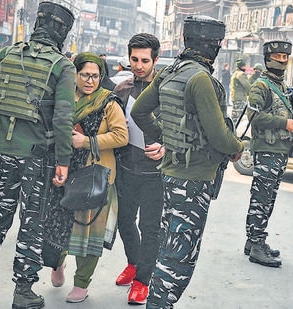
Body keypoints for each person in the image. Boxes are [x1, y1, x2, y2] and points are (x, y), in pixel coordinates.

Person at [0, 3, 76, 309]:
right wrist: (63, 161)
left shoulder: (6, 54)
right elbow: (63, 118)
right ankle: (23, 291)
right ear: (62, 31)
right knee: (32, 221)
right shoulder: (62, 66)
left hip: (4, 152)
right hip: (38, 157)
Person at [130, 15, 244, 309]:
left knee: (170, 245)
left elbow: (141, 113)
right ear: (211, 45)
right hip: (193, 179)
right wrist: (237, 147)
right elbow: (219, 135)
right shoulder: (200, 79)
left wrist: (167, 138)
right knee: (180, 254)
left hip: (170, 174)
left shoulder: (170, 72)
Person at [50, 52, 128, 303]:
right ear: (75, 74)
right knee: (59, 223)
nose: (90, 81)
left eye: (95, 76)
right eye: (85, 74)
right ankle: (56, 262)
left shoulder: (108, 103)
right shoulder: (63, 99)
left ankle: (81, 283)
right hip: (63, 170)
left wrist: (88, 141)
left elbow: (121, 136)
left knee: (88, 230)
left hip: (94, 175)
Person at [112, 33, 165, 305]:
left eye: (145, 60)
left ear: (156, 59)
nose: (139, 65)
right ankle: (133, 263)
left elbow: (183, 128)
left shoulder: (166, 90)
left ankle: (143, 280)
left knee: (150, 227)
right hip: (125, 167)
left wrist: (167, 146)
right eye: (134, 59)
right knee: (124, 221)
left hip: (155, 173)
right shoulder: (121, 89)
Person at [243, 40, 293, 268]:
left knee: (269, 199)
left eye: (284, 57)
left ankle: (254, 241)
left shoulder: (284, 87)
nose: (281, 61)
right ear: (267, 58)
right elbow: (255, 117)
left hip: (280, 151)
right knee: (261, 199)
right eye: (277, 56)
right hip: (267, 150)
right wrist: (283, 123)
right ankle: (256, 246)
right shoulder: (261, 86)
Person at [229, 58, 251, 122]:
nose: (245, 67)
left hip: (235, 97)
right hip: (240, 98)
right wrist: (252, 93)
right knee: (238, 117)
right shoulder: (241, 74)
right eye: (244, 66)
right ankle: (234, 130)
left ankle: (232, 130)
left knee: (234, 116)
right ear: (241, 66)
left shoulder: (235, 73)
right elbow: (247, 85)